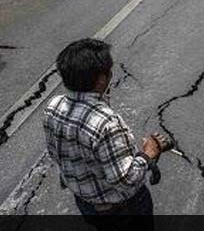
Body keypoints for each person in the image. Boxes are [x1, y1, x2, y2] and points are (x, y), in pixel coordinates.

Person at [43, 39, 168, 225]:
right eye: (108, 71)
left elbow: (56, 153)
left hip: (86, 203)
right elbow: (126, 179)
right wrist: (148, 153)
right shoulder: (106, 123)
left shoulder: (54, 106)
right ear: (101, 79)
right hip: (121, 210)